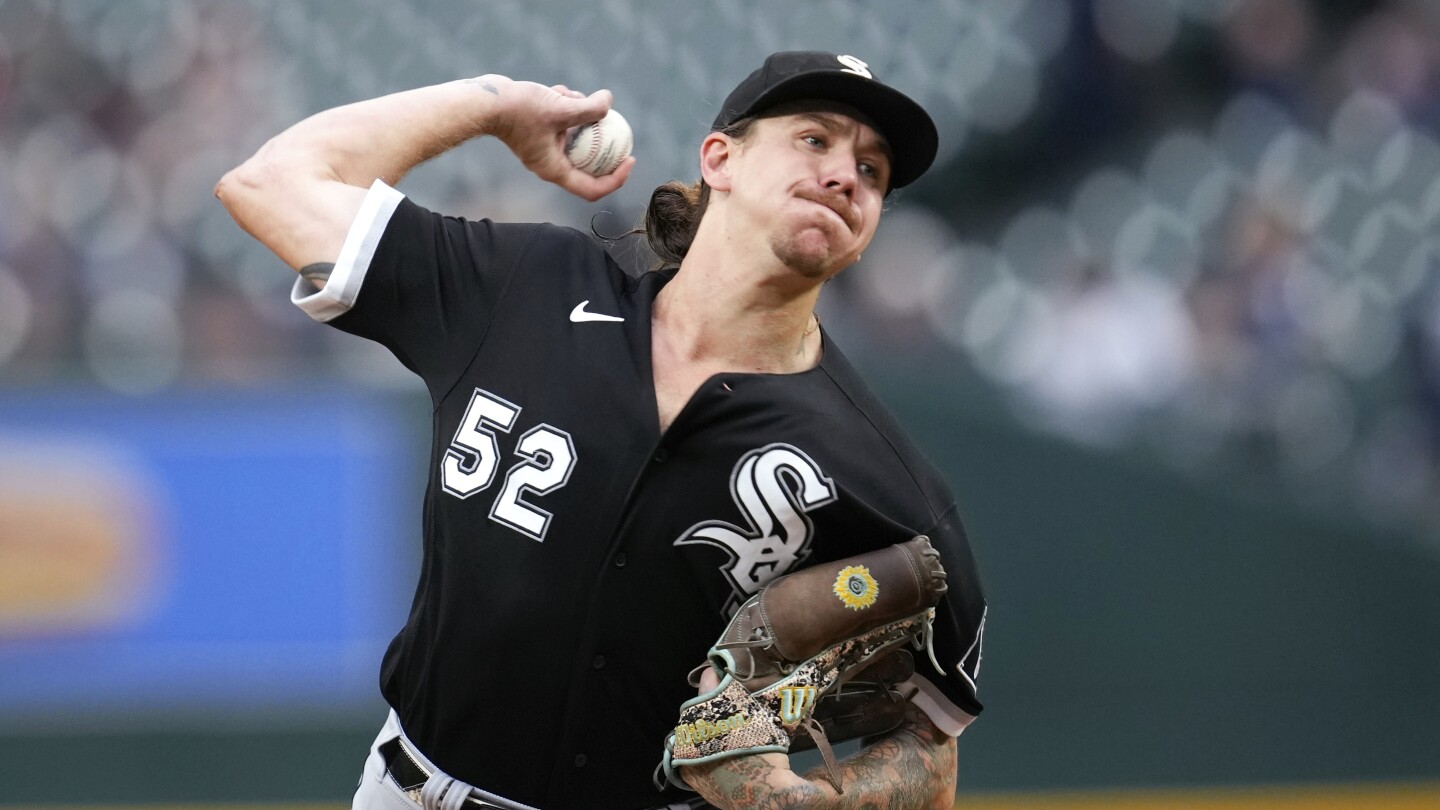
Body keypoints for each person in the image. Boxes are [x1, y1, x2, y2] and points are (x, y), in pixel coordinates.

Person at [216, 49, 987, 810]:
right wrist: (492, 104)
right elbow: (269, 185)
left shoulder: (885, 483)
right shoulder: (524, 288)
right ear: (720, 158)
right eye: (815, 139)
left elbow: (929, 739)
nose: (846, 176)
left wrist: (824, 800)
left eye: (874, 172)